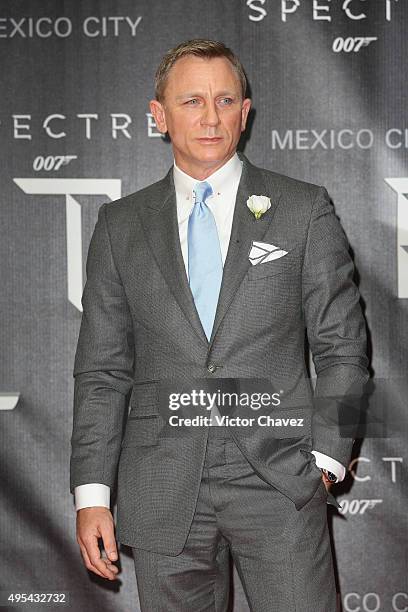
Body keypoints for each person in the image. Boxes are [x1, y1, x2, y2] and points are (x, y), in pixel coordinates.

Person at [70, 39, 369, 611]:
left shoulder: (304, 209)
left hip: (280, 477)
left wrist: (329, 457)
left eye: (225, 99)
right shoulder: (119, 225)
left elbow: (344, 349)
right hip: (163, 482)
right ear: (158, 115)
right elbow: (102, 371)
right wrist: (91, 493)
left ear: (245, 111)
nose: (210, 116)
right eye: (191, 101)